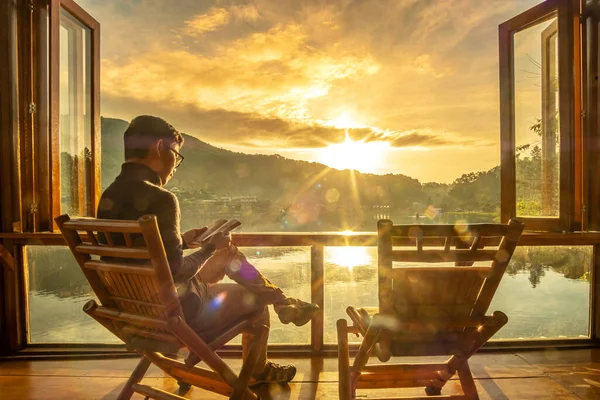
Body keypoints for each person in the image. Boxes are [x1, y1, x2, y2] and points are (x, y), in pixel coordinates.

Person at [97, 115, 319, 385]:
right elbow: (177, 271)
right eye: (176, 155)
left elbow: (142, 256)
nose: (175, 166)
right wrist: (211, 247)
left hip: (139, 310)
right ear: (158, 147)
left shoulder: (108, 196)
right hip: (179, 311)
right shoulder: (162, 199)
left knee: (230, 255)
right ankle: (259, 366)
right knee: (254, 298)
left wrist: (181, 241)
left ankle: (282, 301)